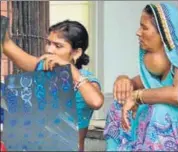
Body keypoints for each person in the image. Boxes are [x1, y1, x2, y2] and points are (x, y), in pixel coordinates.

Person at [1, 18, 104, 151]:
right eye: (48, 43)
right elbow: (6, 44)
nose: (49, 50)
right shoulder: (43, 69)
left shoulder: (87, 80)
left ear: (76, 52)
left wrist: (71, 71)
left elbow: (96, 102)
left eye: (58, 46)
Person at [104, 3, 178, 151]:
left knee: (161, 111)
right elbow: (137, 83)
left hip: (169, 123)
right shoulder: (154, 63)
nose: (138, 32)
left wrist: (136, 96)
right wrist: (124, 80)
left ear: (164, 34)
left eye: (144, 28)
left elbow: (176, 94)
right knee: (118, 105)